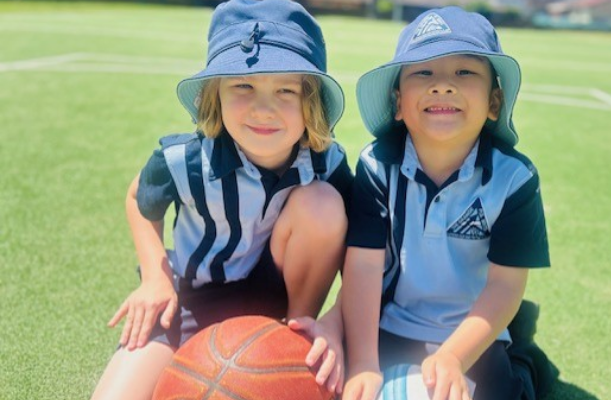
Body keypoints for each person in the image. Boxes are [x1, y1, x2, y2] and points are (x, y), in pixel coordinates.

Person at [90, 0, 352, 399]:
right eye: (243, 86)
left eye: (285, 89)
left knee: (324, 205)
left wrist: (337, 319)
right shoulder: (184, 160)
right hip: (188, 300)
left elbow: (362, 244)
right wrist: (155, 277)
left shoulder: (325, 162)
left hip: (271, 297)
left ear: (310, 101)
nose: (264, 108)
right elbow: (138, 198)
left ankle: (296, 332)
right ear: (215, 93)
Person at [340, 7, 553, 400]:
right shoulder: (376, 165)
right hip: (392, 323)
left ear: (494, 102)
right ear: (398, 102)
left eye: (464, 72)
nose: (443, 85)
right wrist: (363, 362)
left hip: (475, 329)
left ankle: (522, 352)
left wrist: (454, 355)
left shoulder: (513, 178)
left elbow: (506, 285)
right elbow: (365, 267)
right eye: (423, 72)